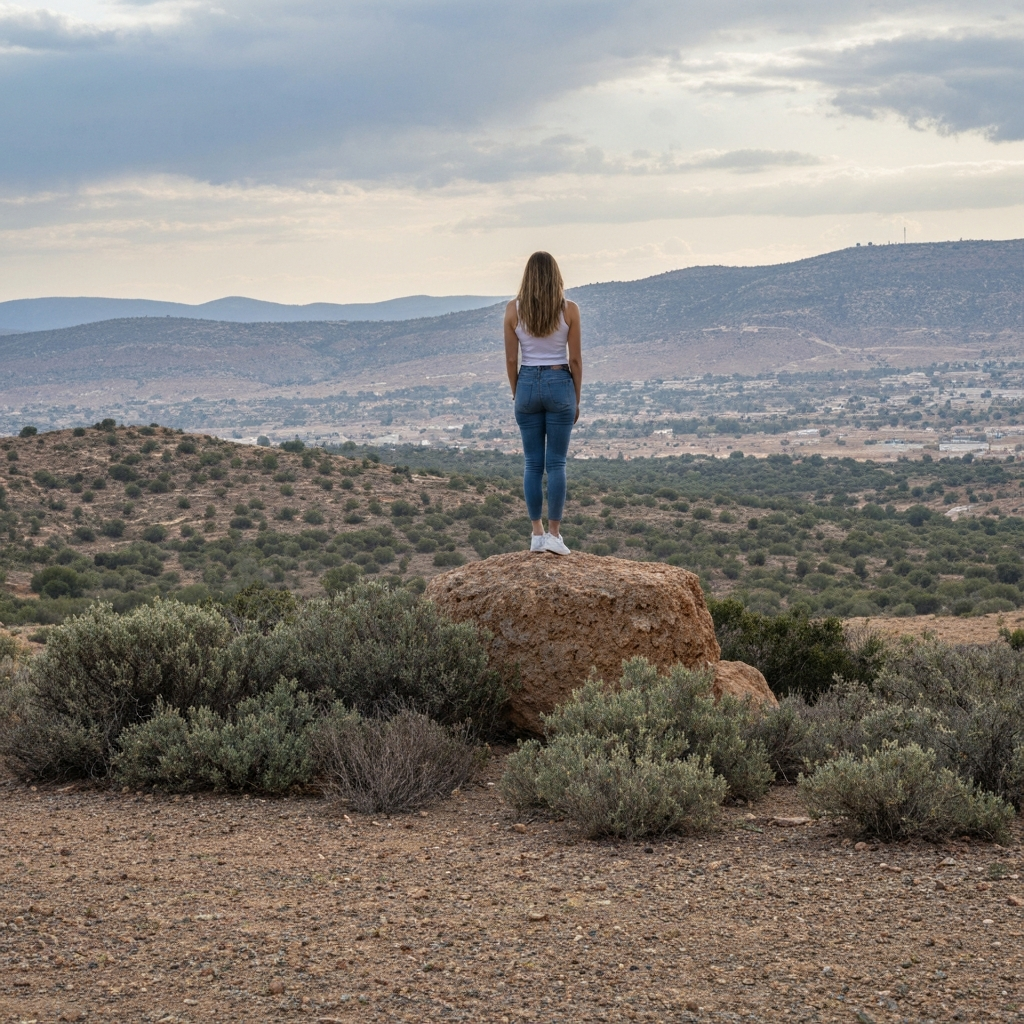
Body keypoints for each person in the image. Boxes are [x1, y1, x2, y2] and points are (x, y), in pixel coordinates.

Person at [504, 251, 582, 555]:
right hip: (560, 381)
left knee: (532, 463)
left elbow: (512, 359)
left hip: (526, 384)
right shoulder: (569, 310)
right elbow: (574, 359)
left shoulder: (513, 310)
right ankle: (554, 534)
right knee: (557, 463)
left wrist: (517, 391)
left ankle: (536, 534)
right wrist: (576, 397)